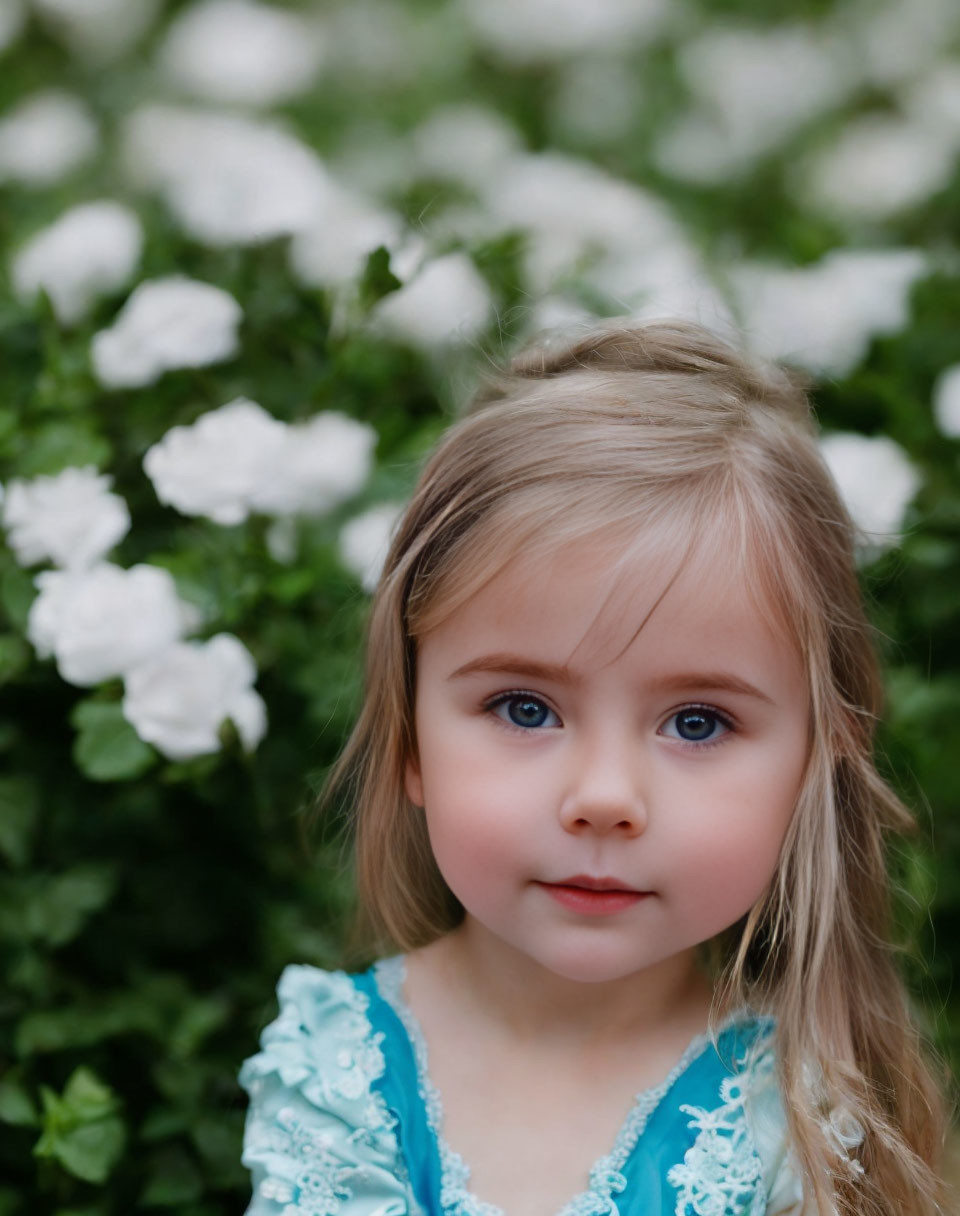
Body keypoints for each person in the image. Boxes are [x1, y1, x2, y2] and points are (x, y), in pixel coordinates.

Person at [237, 319, 955, 1216]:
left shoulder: (803, 1114)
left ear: (820, 753)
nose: (606, 799)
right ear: (409, 737)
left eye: (698, 722)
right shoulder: (337, 1072)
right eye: (524, 709)